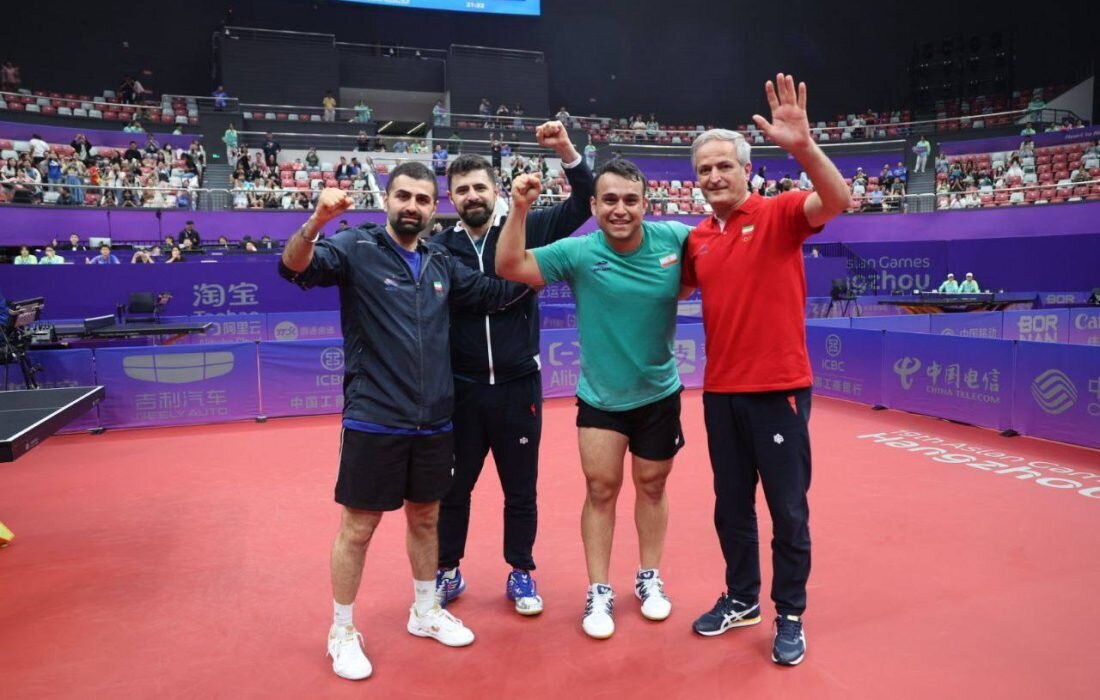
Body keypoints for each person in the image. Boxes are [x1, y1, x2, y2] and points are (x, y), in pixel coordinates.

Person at [279, 163, 528, 681]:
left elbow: (491, 294)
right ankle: (342, 630)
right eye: (403, 197)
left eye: (422, 199)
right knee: (359, 527)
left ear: (433, 207)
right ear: (387, 201)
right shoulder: (355, 248)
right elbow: (294, 267)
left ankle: (424, 610)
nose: (412, 206)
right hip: (375, 417)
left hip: (436, 419)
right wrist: (316, 221)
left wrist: (551, 268)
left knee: (427, 518)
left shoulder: (440, 259)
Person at [683, 74, 850, 667]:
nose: (715, 177)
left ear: (747, 169)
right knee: (730, 507)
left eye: (725, 165)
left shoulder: (779, 214)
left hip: (778, 391)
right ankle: (741, 597)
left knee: (786, 509)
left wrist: (803, 147)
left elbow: (838, 201)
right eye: (705, 169)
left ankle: (791, 614)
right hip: (720, 394)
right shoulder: (697, 239)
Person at [495, 159, 692, 639]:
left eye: (630, 199)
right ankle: (598, 589)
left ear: (646, 203)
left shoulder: (677, 239)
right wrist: (519, 209)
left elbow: (713, 267)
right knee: (601, 491)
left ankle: (649, 577)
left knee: (652, 487)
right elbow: (509, 266)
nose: (620, 209)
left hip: (659, 394)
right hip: (602, 399)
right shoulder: (579, 251)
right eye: (610, 200)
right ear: (593, 205)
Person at [431, 121, 594, 617]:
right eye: (461, 190)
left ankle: (520, 570)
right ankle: (447, 570)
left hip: (518, 384)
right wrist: (523, 286)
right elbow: (471, 296)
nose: (471, 195)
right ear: (452, 198)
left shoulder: (526, 225)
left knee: (520, 488)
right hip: (461, 389)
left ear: (495, 189)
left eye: (479, 186)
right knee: (454, 489)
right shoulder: (442, 246)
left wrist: (566, 149)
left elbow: (583, 199)